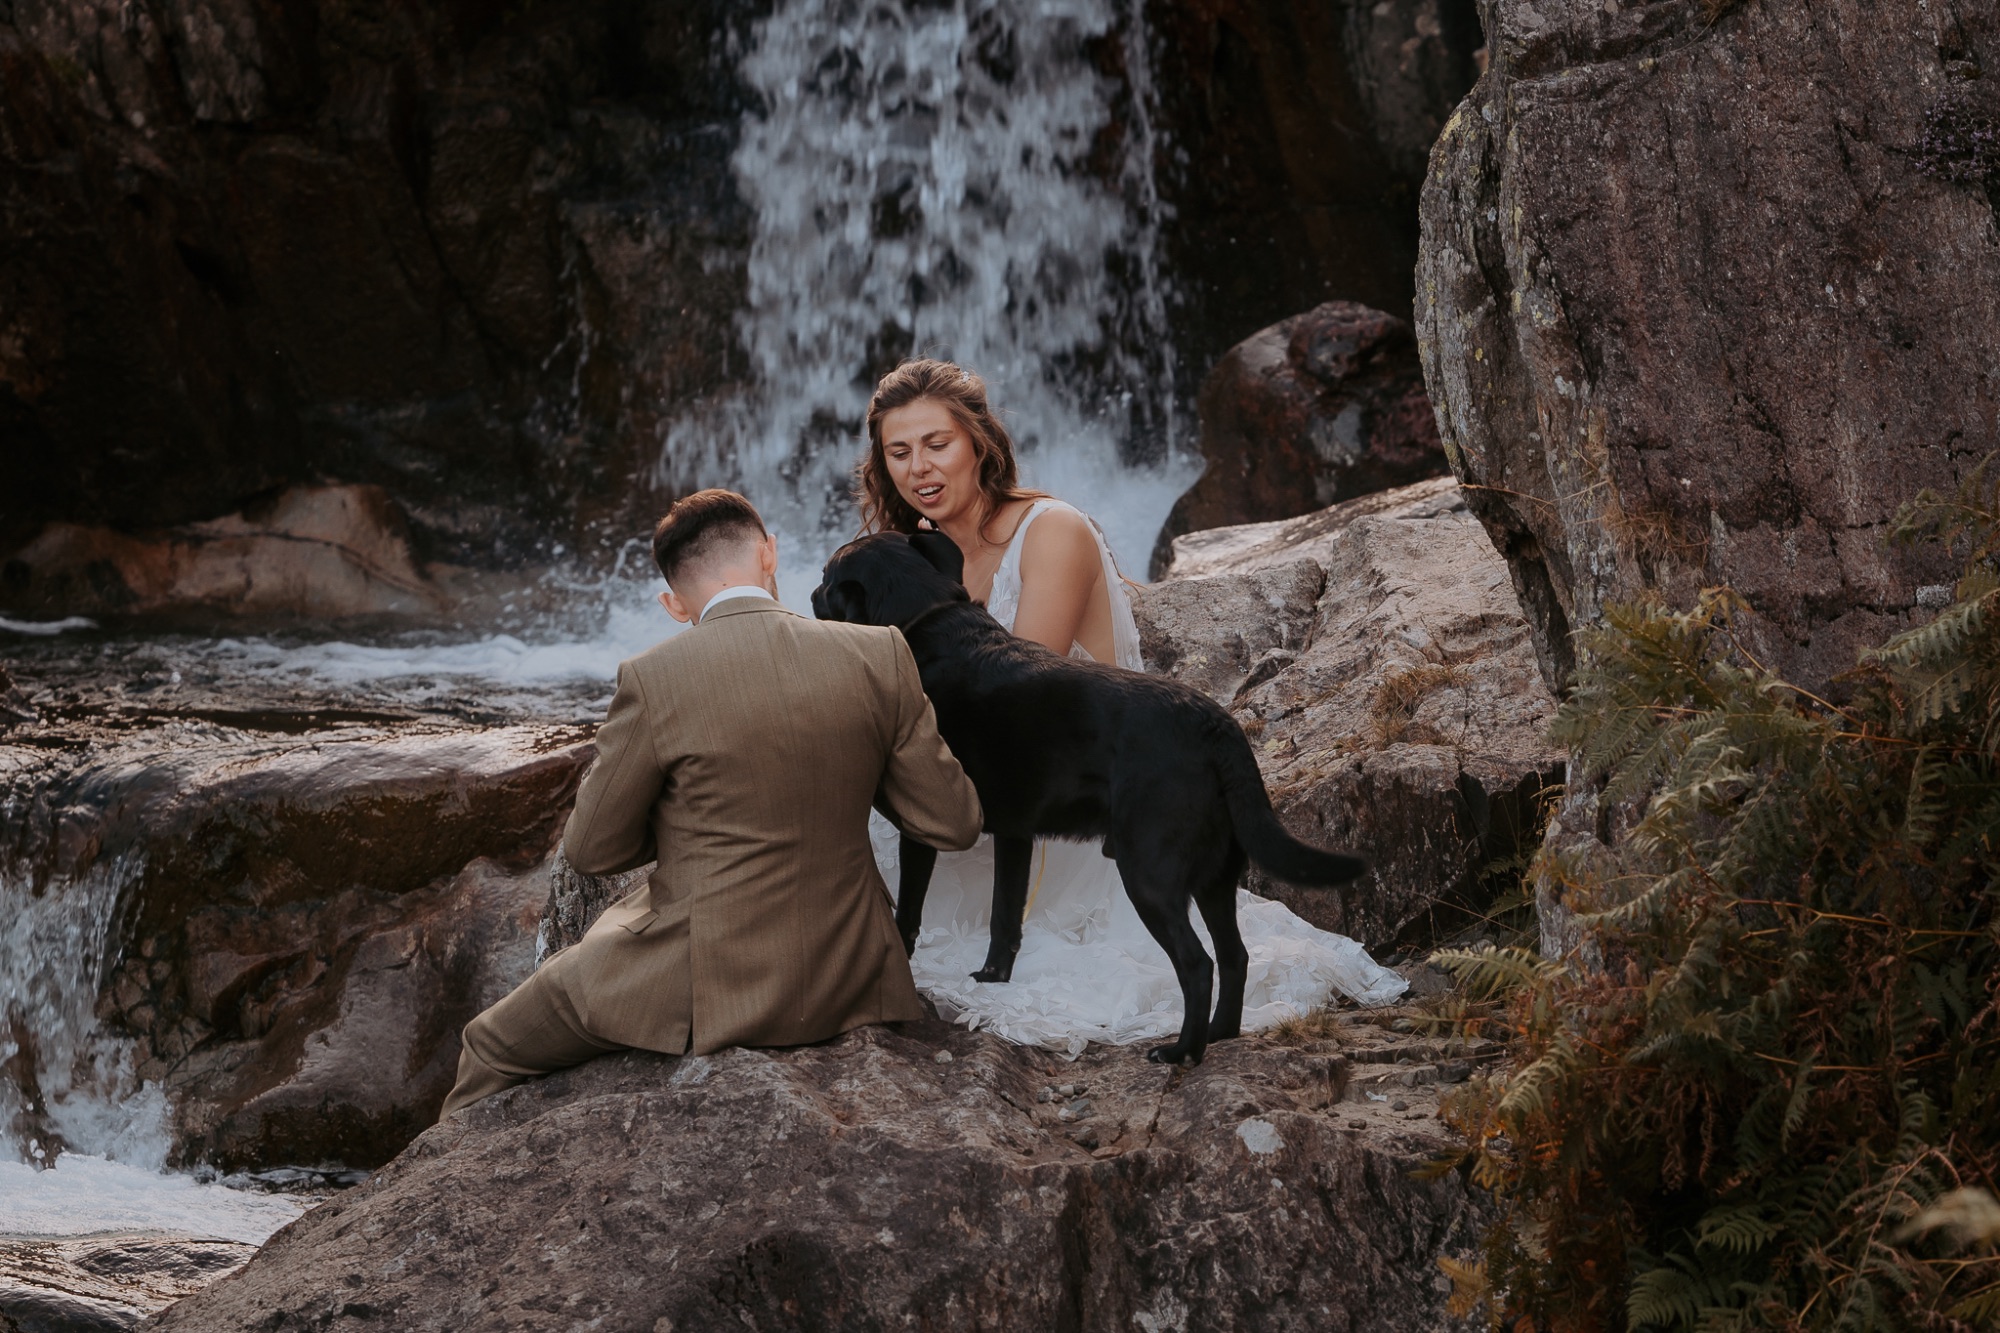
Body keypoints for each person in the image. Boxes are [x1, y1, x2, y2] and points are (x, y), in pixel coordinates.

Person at [855, 359, 1405, 1055]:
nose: (919, 468)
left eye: (937, 444)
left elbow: (1015, 700)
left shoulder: (1051, 530)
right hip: (979, 798)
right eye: (898, 452)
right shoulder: (907, 557)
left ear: (980, 442)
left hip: (1070, 802)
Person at [440, 489, 983, 1115]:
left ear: (673, 605)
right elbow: (954, 822)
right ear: (770, 553)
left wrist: (685, 823)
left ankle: (437, 1172)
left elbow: (591, 851)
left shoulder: (653, 676)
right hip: (854, 975)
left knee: (488, 1043)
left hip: (710, 982)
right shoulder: (879, 651)